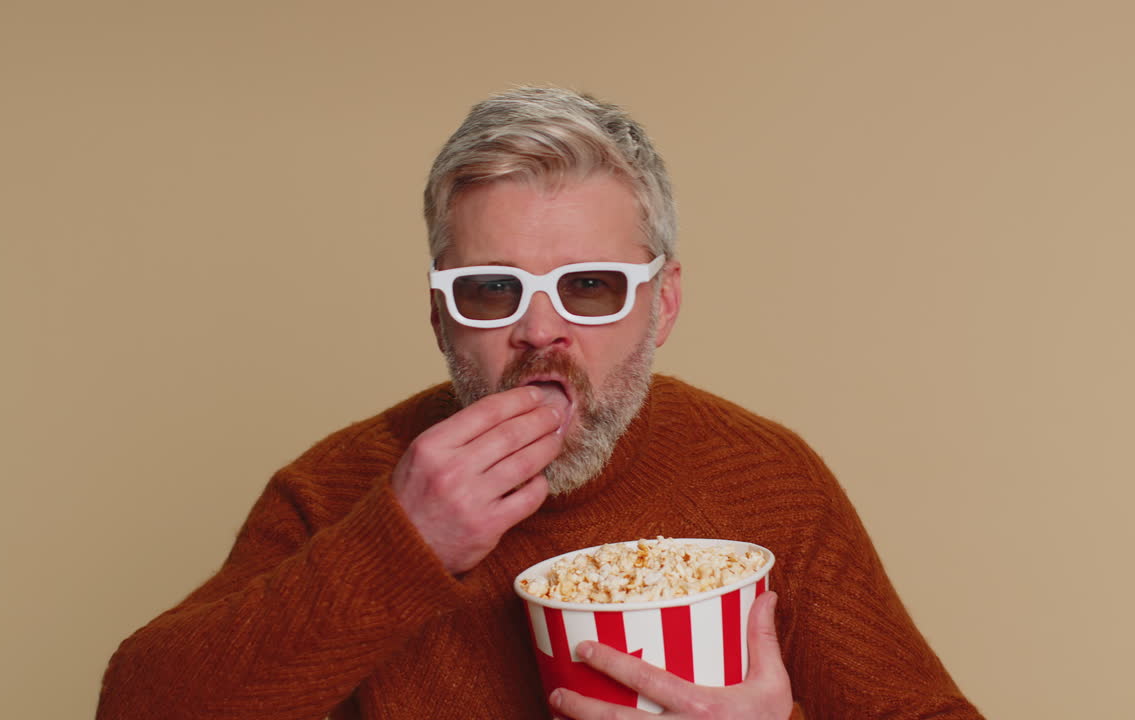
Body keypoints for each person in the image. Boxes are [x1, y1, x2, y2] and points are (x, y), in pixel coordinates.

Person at [98, 87, 983, 720]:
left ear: (662, 302)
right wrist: (399, 543)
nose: (540, 331)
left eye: (591, 286)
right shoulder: (337, 493)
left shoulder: (768, 479)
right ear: (441, 309)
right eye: (491, 290)